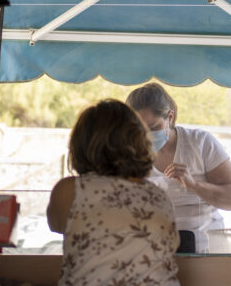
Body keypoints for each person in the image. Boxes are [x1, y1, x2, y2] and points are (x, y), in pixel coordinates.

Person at [46, 99, 180, 286]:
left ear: (81, 144)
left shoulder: (69, 191)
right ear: (140, 142)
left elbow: (56, 225)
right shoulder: (159, 196)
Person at [126, 83, 231, 253]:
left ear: (170, 117)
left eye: (153, 128)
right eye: (139, 129)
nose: (146, 136)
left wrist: (195, 186)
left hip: (205, 251)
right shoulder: (129, 154)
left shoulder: (199, 143)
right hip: (156, 253)